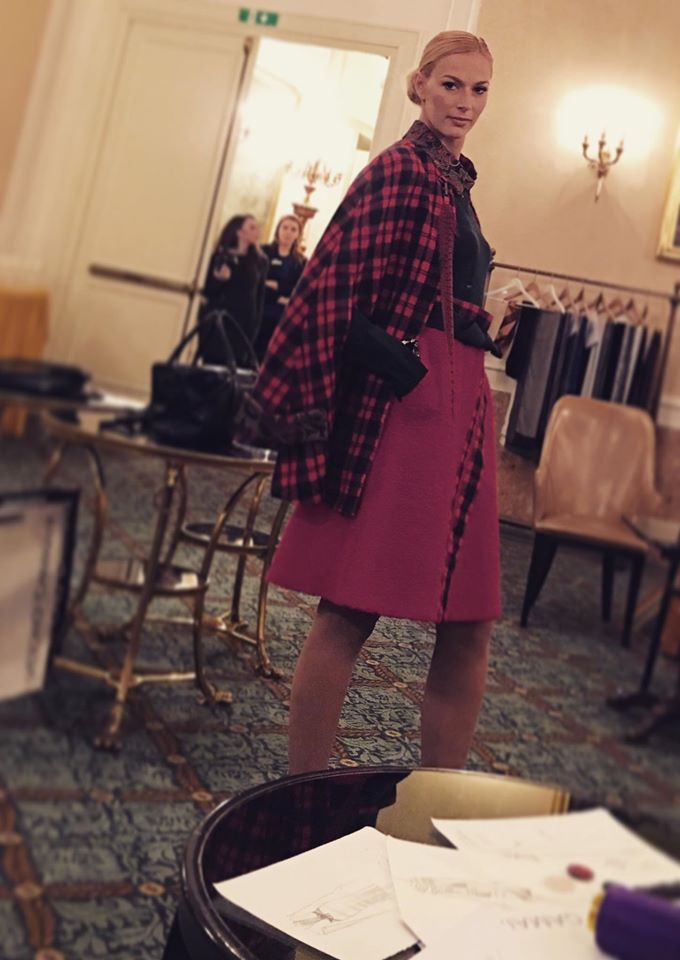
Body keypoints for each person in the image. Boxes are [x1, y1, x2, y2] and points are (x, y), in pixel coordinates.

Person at [247, 31, 501, 774]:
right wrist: (409, 370)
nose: (465, 103)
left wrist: (483, 325)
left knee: (469, 623)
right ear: (419, 85)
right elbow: (328, 294)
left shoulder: (454, 181)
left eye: (480, 89)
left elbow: (432, 292)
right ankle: (304, 796)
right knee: (349, 610)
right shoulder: (397, 170)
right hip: (407, 414)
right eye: (451, 85)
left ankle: (440, 799)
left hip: (462, 409)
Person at [199, 214, 268, 366]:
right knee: (212, 366)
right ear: (239, 232)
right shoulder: (220, 256)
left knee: (233, 369)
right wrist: (219, 280)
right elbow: (206, 291)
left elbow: (259, 298)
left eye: (258, 228)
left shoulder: (260, 261)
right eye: (252, 228)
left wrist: (253, 330)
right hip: (218, 321)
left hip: (243, 324)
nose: (257, 232)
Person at [255, 215, 307, 361]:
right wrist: (279, 296)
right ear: (278, 230)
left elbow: (299, 289)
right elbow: (256, 283)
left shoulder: (301, 262)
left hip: (283, 319)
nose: (288, 232)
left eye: (293, 229)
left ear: (298, 235)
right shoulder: (262, 252)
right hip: (259, 312)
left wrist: (277, 285)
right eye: (285, 227)